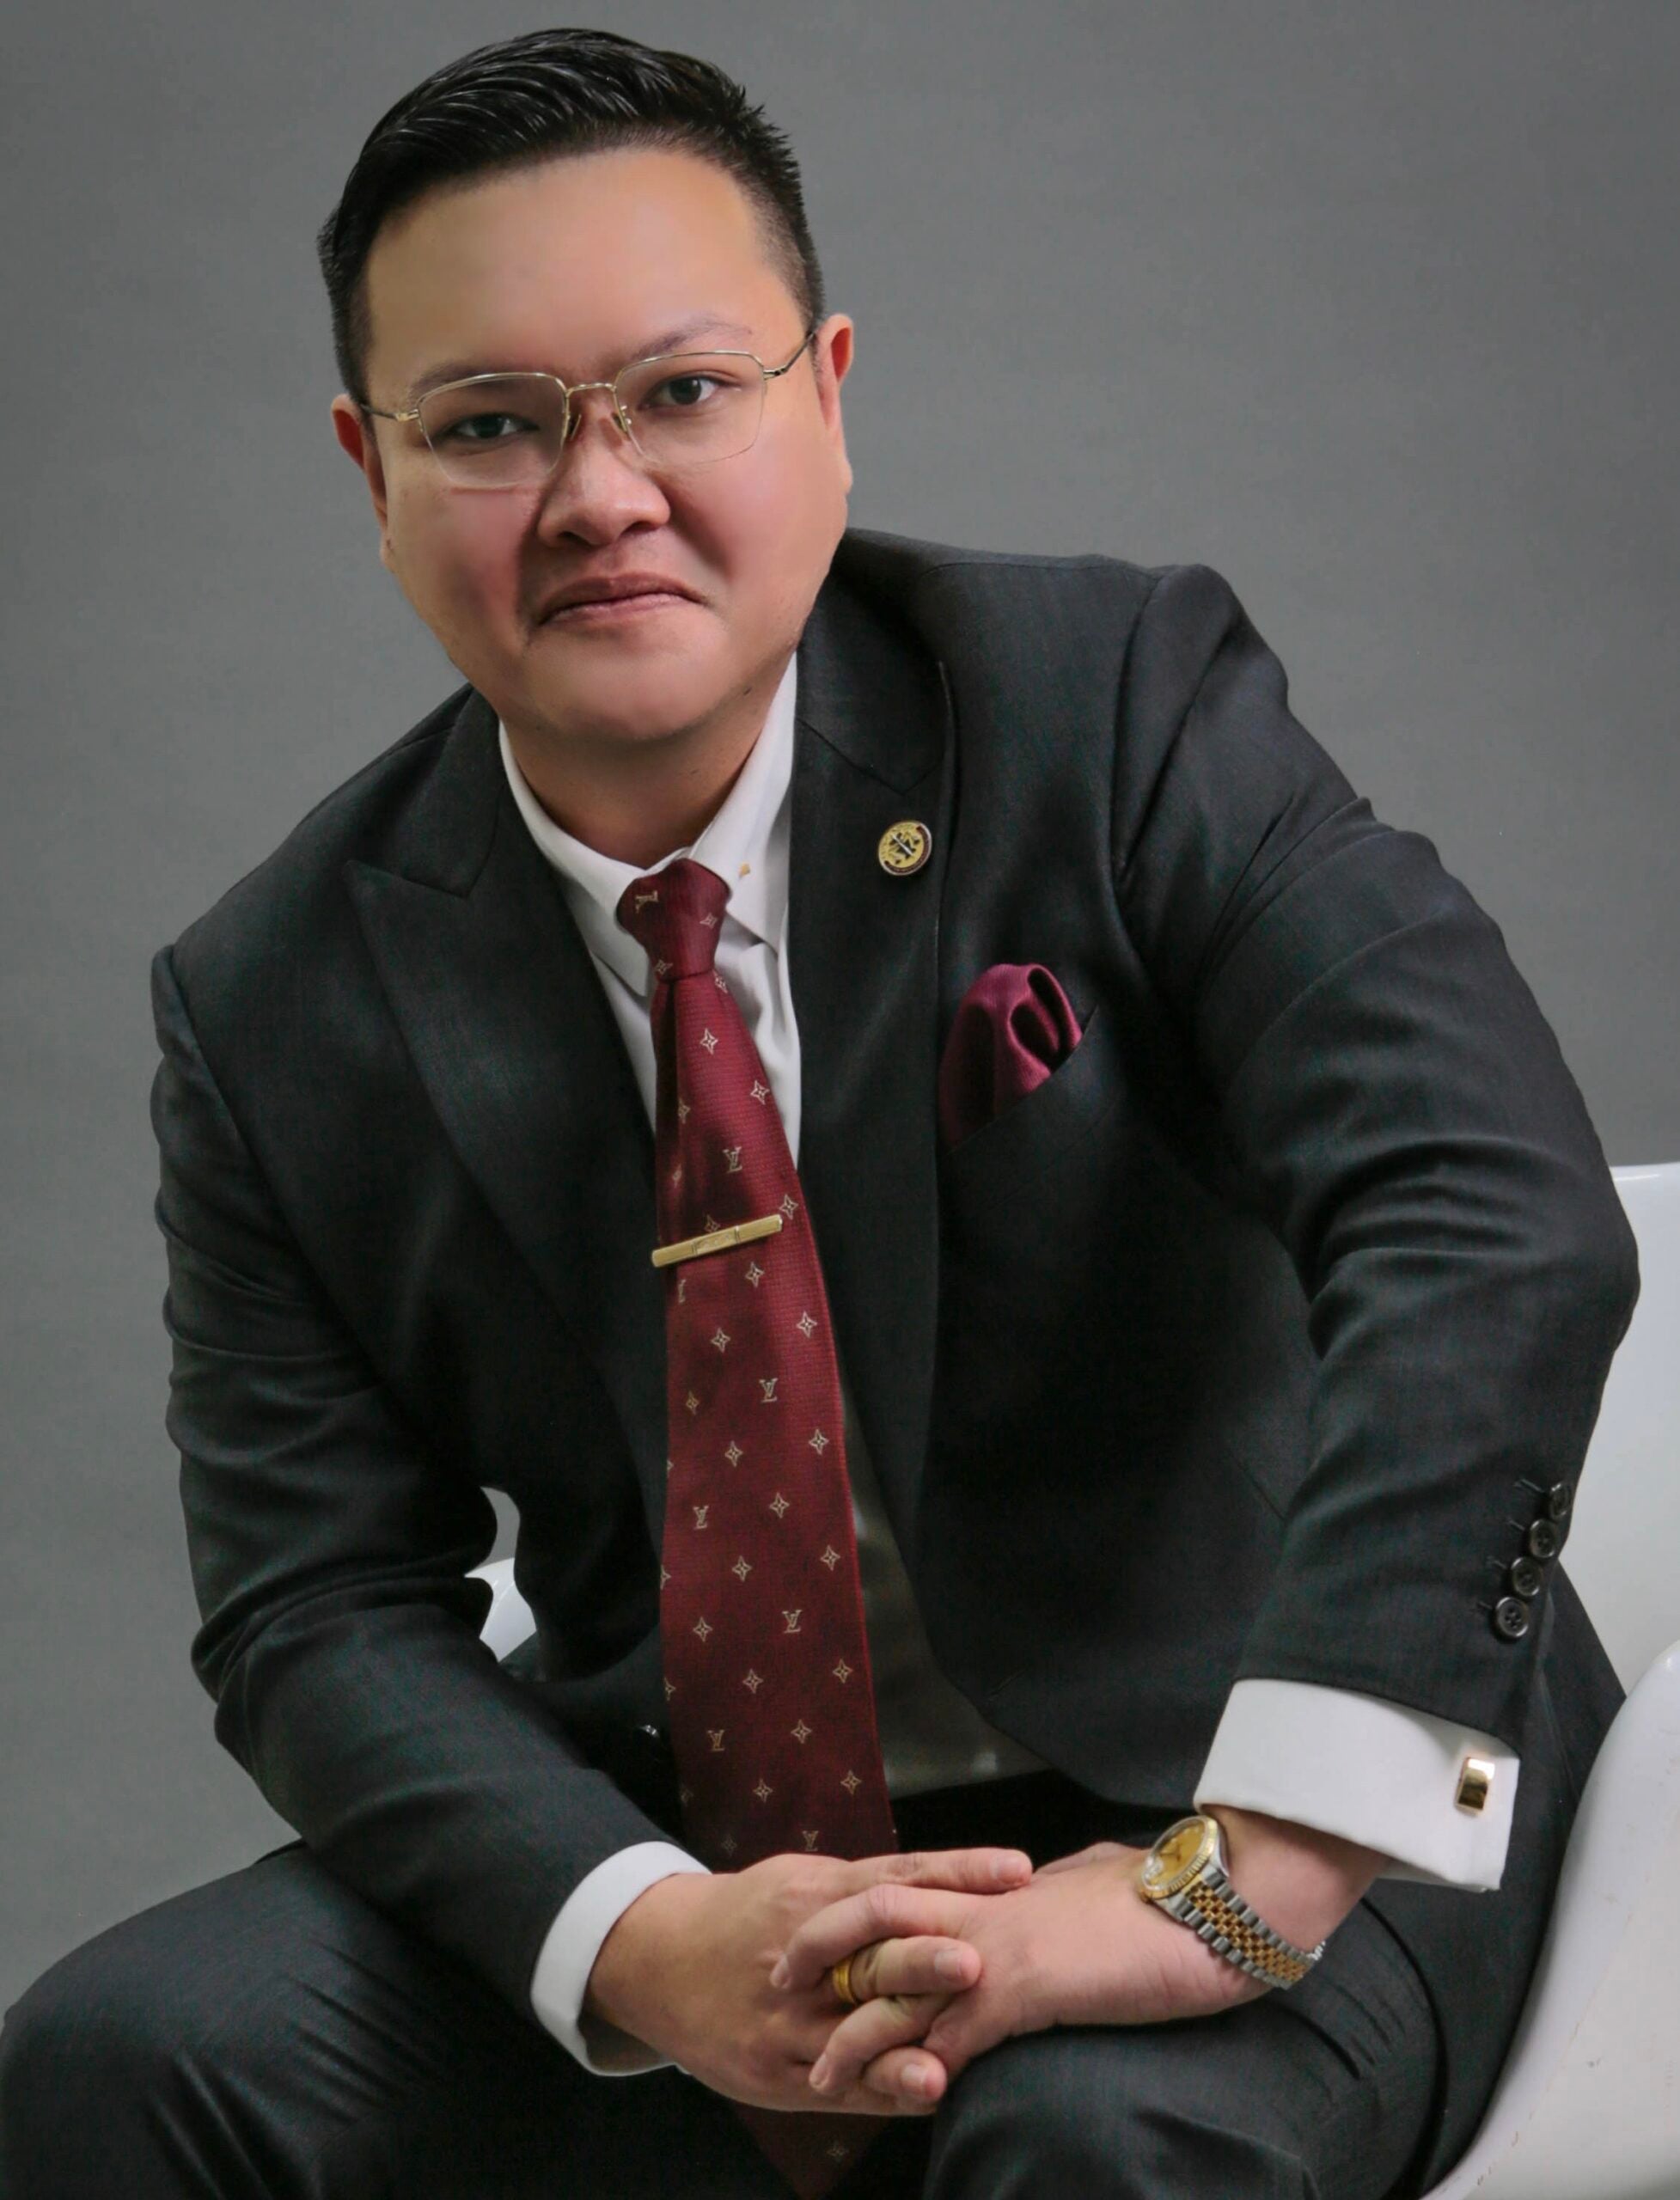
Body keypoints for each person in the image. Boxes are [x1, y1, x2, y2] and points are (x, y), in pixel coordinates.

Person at [0, 26, 1638, 2200]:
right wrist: (650, 1939)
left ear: (828, 392)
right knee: (119, 2064)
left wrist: (1235, 1866)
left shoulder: (1114, 707)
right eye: (489, 423)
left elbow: (1489, 1206)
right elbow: (313, 1602)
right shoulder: (272, 993)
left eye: (683, 391)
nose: (600, 496)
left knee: (1076, 2146)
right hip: (707, 1869)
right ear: (368, 470)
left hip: (1239, 1782)